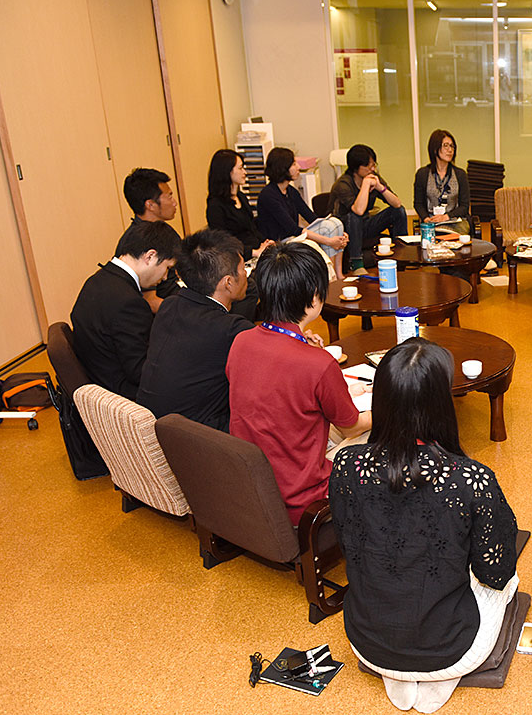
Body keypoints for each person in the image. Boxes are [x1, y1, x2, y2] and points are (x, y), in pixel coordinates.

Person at [330, 338, 519, 714]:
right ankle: (436, 674)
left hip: (367, 641)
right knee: (508, 585)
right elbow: (496, 572)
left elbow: (350, 543)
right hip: (453, 646)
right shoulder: (471, 478)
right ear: (441, 404)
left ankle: (400, 673)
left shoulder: (347, 465)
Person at [226, 242, 370, 525]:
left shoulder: (241, 341)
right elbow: (351, 425)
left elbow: (277, 394)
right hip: (303, 497)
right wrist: (392, 409)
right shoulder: (317, 364)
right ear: (314, 297)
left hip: (254, 484)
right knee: (394, 433)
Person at [137, 230, 254, 431]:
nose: (246, 274)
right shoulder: (231, 330)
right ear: (228, 282)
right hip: (197, 441)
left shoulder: (170, 306)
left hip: (152, 427)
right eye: (243, 268)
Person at [71, 220, 180, 400]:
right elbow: (140, 372)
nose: (165, 277)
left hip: (99, 383)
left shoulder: (97, 281)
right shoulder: (128, 302)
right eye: (167, 268)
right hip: (122, 397)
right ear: (150, 256)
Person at [255, 146, 348, 261]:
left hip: (293, 236)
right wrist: (329, 241)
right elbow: (292, 229)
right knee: (328, 228)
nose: (298, 167)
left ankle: (339, 275)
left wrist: (339, 233)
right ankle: (332, 277)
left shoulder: (291, 191)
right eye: (294, 164)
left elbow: (312, 218)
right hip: (279, 242)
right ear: (282, 168)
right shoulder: (268, 195)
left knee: (335, 222)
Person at [329, 144, 408, 271]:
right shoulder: (343, 184)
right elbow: (358, 210)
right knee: (354, 216)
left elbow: (397, 203)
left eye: (373, 164)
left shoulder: (373, 177)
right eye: (368, 165)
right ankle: (356, 263)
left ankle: (401, 255)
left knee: (398, 211)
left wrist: (380, 187)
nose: (372, 168)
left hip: (365, 225)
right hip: (345, 229)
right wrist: (366, 185)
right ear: (356, 167)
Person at [116, 167, 182, 311]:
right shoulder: (138, 243)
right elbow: (150, 301)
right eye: (169, 196)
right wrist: (188, 314)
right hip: (169, 311)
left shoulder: (162, 230)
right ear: (150, 205)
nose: (174, 202)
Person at [205, 149, 273, 260]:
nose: (244, 172)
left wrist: (265, 242)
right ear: (227, 171)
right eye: (240, 168)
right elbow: (223, 243)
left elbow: (252, 228)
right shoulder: (215, 206)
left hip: (255, 250)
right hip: (238, 258)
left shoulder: (241, 196)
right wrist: (254, 252)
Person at [413, 129, 471, 236]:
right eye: (446, 146)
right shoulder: (422, 174)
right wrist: (426, 218)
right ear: (435, 149)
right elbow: (418, 204)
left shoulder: (460, 174)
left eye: (452, 146)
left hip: (454, 222)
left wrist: (446, 217)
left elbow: (464, 206)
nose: (450, 150)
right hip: (431, 222)